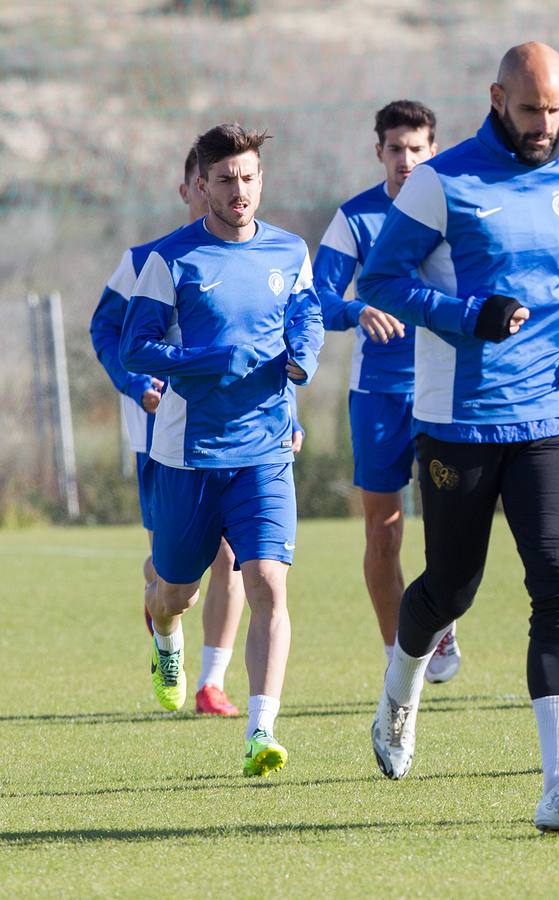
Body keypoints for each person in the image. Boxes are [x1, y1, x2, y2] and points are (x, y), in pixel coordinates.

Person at [359, 42, 559, 834]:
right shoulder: (443, 180)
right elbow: (380, 282)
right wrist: (468, 314)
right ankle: (400, 693)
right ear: (497, 96)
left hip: (548, 419)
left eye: (556, 110)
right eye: (531, 109)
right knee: (451, 587)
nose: (545, 126)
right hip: (460, 421)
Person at [121, 123, 325, 776]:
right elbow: (137, 347)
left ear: (261, 179)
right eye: (226, 180)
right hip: (187, 458)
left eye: (249, 178)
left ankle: (260, 731)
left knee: (267, 581)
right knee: (174, 591)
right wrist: (211, 360)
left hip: (264, 452)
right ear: (201, 185)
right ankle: (164, 632)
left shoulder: (291, 251)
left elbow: (307, 316)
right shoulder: (171, 259)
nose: (239, 191)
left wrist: (305, 356)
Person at [90, 147, 251, 716]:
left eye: (238, 179)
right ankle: (165, 627)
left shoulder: (252, 257)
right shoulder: (145, 260)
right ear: (190, 190)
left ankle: (212, 681)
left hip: (233, 433)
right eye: (209, 182)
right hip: (161, 437)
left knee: (232, 553)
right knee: (169, 570)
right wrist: (138, 388)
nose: (223, 192)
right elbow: (105, 333)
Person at [312, 100, 463, 679]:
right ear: (379, 152)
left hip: (445, 388)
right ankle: (396, 655)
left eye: (417, 149)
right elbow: (317, 300)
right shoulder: (355, 218)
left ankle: (443, 620)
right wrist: (357, 310)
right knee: (384, 529)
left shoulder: (454, 210)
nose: (405, 160)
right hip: (377, 394)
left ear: (434, 152)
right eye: (395, 149)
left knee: (452, 523)